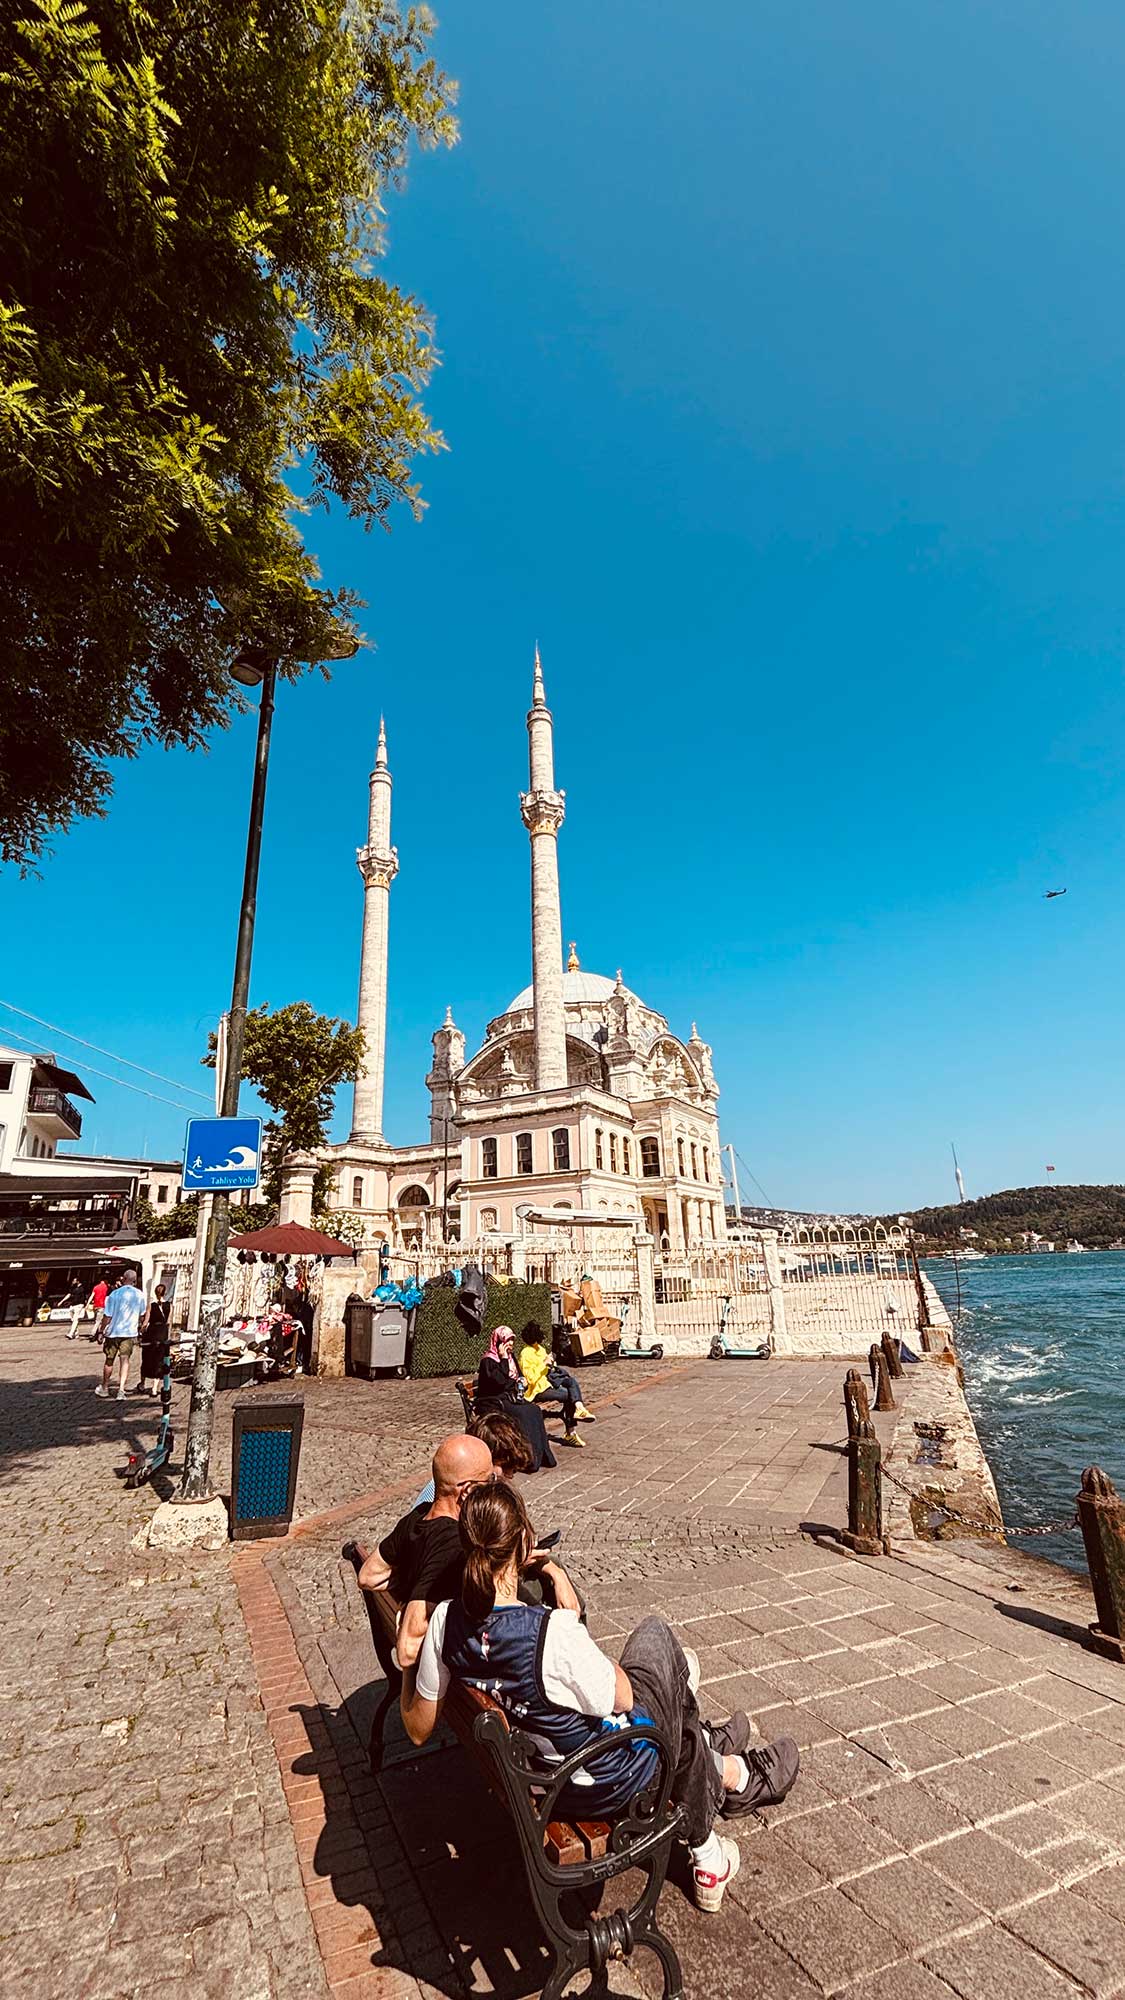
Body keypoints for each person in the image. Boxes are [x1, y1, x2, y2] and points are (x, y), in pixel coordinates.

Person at [402, 1483, 800, 1914]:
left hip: (539, 1775)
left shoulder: (445, 1621)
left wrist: (410, 1664)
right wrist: (558, 1585)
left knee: (672, 1696)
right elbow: (624, 1698)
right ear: (523, 1543)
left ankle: (718, 1761)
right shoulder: (550, 1633)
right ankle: (718, 1812)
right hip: (601, 1778)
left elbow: (418, 1728)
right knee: (657, 1643)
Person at [358, 1434, 579, 1668]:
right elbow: (407, 1652)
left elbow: (368, 1576)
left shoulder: (417, 1517)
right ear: (467, 1490)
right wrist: (418, 1600)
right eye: (489, 1481)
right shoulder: (454, 1546)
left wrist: (410, 1589)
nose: (494, 1487)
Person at [476, 1325, 578, 1458]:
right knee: (525, 1414)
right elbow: (500, 1381)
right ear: (499, 1342)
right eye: (507, 1340)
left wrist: (521, 1380)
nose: (511, 1344)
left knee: (534, 1411)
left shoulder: (511, 1356)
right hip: (494, 1401)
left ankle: (541, 1455)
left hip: (509, 1397)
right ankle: (526, 1456)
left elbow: (518, 1374)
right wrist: (503, 1358)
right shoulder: (489, 1360)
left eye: (512, 1340)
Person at [518, 1328, 596, 1436]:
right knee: (570, 1395)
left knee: (571, 1382)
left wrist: (551, 1363)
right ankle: (571, 1431)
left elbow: (548, 1369)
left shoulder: (540, 1349)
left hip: (549, 1381)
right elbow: (531, 1378)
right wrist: (544, 1363)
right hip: (537, 1389)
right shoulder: (525, 1353)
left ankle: (579, 1408)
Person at [95, 1268, 146, 1401]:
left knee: (109, 1360)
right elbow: (142, 1315)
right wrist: (140, 1326)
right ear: (135, 1281)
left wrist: (101, 1330)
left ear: (123, 1279)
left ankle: (105, 1387)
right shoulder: (139, 1295)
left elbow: (107, 1316)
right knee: (125, 1360)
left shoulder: (115, 1294)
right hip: (129, 1332)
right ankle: (121, 1390)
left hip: (114, 1332)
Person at [139, 1283, 171, 1396]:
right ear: (165, 1292)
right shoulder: (169, 1305)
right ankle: (154, 1388)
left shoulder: (151, 1305)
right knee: (159, 1359)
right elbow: (168, 1321)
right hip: (162, 1332)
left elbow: (146, 1321)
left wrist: (142, 1330)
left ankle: (142, 1384)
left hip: (152, 1332)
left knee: (147, 1358)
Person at [88, 1275, 110, 1341]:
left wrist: (87, 1304)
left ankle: (96, 1335)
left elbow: (92, 1296)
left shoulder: (96, 1287)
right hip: (102, 1305)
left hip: (95, 1306)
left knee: (96, 1321)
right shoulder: (106, 1287)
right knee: (99, 1321)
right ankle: (92, 1333)